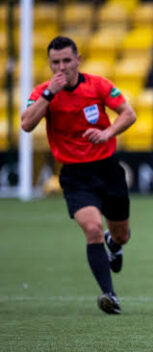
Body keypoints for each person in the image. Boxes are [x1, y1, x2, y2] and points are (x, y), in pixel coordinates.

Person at [21, 36, 136, 314]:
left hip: (108, 168)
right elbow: (26, 124)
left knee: (122, 234)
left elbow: (128, 114)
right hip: (75, 174)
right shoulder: (43, 92)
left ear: (78, 60)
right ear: (49, 64)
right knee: (93, 228)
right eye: (55, 62)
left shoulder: (97, 85)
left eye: (66, 61)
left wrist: (107, 133)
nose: (61, 67)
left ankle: (115, 244)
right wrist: (49, 94)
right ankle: (109, 294)